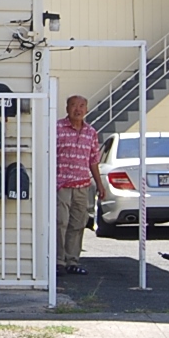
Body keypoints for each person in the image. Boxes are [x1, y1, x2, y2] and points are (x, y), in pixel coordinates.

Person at [55, 94, 102, 276]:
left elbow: (94, 161)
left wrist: (100, 185)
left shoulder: (91, 132)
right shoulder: (57, 128)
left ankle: (72, 261)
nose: (78, 109)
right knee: (61, 222)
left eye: (82, 106)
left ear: (87, 110)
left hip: (82, 185)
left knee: (78, 223)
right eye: (74, 105)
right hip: (61, 185)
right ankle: (58, 261)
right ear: (67, 108)